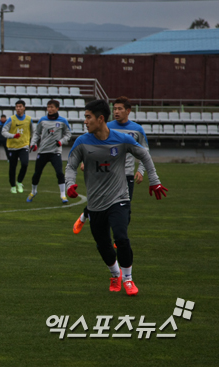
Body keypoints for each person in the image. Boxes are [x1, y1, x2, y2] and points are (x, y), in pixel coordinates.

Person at [65, 99, 168, 296]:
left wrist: (154, 180)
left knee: (121, 237)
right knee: (102, 244)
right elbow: (70, 165)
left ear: (100, 119)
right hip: (95, 203)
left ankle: (128, 278)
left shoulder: (122, 139)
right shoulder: (82, 142)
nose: (85, 121)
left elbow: (144, 154)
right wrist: (70, 184)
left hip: (119, 198)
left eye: (88, 117)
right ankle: (115, 274)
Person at [73, 96, 150, 234]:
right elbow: (91, 145)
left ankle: (119, 237)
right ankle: (85, 216)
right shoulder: (105, 127)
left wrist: (141, 170)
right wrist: (85, 161)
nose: (116, 112)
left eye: (120, 109)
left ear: (128, 111)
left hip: (127, 173)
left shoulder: (137, 130)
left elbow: (145, 151)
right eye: (114, 109)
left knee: (124, 207)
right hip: (106, 172)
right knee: (99, 201)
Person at [27, 100, 72, 204]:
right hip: (43, 151)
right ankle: (33, 192)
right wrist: (33, 143)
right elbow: (36, 133)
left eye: (52, 107)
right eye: (48, 107)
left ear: (57, 108)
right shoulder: (42, 120)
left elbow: (68, 134)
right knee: (37, 174)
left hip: (55, 152)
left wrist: (61, 142)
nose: (50, 109)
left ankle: (63, 195)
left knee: (59, 173)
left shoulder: (63, 121)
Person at [1, 100, 33, 194]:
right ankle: (13, 186)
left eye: (20, 106)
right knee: (12, 167)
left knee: (25, 164)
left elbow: (34, 132)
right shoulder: (11, 119)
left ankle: (19, 182)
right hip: (12, 147)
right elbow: (3, 131)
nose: (18, 108)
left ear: (24, 107)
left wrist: (33, 143)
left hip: (24, 145)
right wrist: (13, 135)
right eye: (17, 107)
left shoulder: (29, 119)